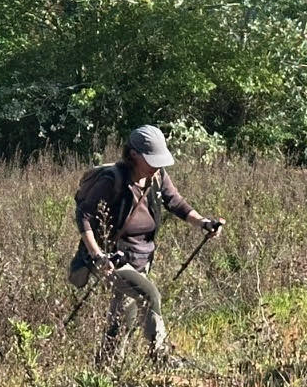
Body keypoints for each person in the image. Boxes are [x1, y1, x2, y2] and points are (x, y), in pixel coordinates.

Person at [71, 125, 224, 365]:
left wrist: (203, 222)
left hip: (142, 256)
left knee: (125, 312)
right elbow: (84, 215)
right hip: (112, 258)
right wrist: (98, 254)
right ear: (133, 155)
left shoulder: (158, 176)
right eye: (151, 159)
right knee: (150, 295)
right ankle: (160, 357)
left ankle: (106, 367)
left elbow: (177, 203)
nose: (156, 165)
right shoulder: (113, 180)